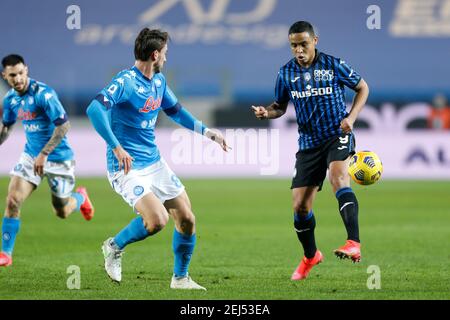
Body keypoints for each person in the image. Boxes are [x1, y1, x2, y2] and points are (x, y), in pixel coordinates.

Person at [86, 28, 229, 290]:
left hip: (155, 163)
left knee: (187, 218)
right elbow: (94, 108)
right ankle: (114, 246)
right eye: (165, 54)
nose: (166, 58)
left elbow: (176, 112)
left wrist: (208, 133)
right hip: (126, 167)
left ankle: (180, 279)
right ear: (155, 55)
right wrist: (116, 146)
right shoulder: (126, 82)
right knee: (157, 221)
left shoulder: (158, 82)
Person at [252, 21, 369, 280]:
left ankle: (354, 243)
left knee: (338, 177)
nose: (299, 50)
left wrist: (351, 117)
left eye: (303, 44)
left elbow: (363, 87)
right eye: (294, 45)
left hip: (337, 135)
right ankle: (310, 256)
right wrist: (266, 113)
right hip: (308, 144)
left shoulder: (333, 64)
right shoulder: (285, 73)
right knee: (300, 208)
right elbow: (279, 106)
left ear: (315, 40)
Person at [0, 54, 95, 267]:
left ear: (27, 70)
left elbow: (64, 126)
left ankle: (79, 198)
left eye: (21, 73)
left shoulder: (44, 94)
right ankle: (6, 254)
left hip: (58, 158)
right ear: (5, 76)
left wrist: (44, 153)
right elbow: (6, 128)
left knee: (61, 211)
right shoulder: (10, 100)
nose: (18, 79)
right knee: (13, 200)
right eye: (13, 75)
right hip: (30, 157)